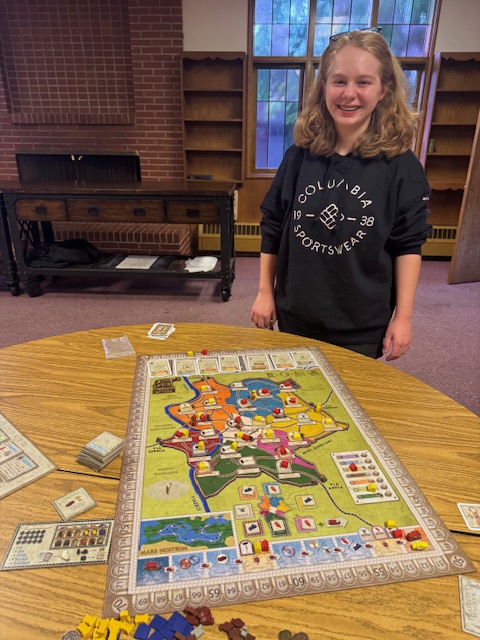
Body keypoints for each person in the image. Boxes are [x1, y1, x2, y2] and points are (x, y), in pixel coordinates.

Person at [250, 28, 431, 361]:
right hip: (296, 314)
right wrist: (265, 291)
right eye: (339, 81)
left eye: (363, 82)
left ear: (384, 90)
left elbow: (407, 246)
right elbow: (273, 225)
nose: (349, 94)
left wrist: (403, 317)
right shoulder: (298, 156)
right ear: (323, 88)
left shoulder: (402, 166)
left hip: (361, 325)